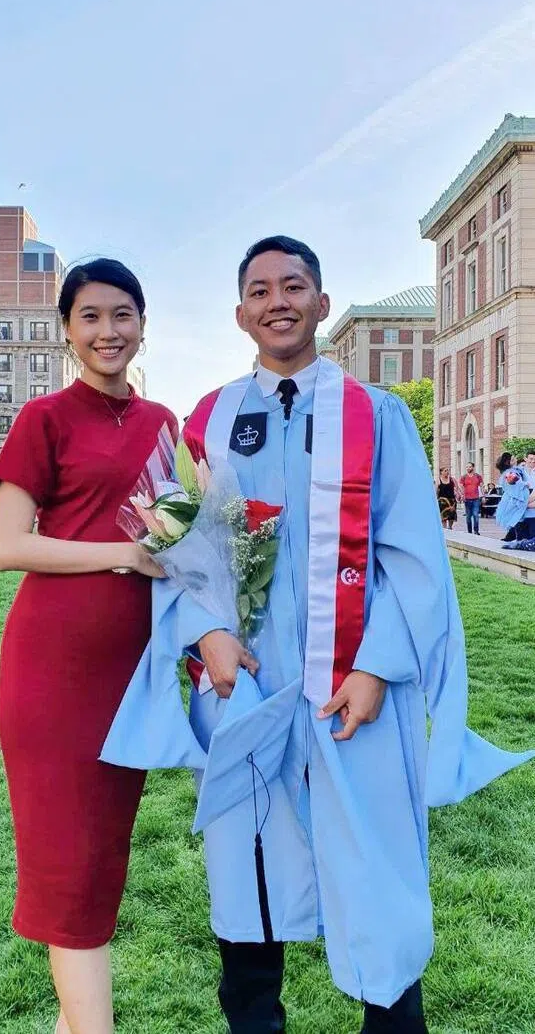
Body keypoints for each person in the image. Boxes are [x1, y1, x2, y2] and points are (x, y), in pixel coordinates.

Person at [102, 235, 534, 1034]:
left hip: (353, 686)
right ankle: (254, 1018)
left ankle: (393, 1020)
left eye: (293, 286)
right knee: (248, 864)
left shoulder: (376, 414)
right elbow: (177, 549)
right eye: (260, 290)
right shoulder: (210, 418)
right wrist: (207, 636)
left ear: (322, 303)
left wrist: (376, 668)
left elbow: (412, 559)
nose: (278, 301)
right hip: (247, 681)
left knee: (373, 865)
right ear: (240, 313)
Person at [0, 258, 176, 1034]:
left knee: (98, 867)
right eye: (91, 316)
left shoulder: (165, 422)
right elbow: (5, 545)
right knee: (67, 869)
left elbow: (180, 532)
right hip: (54, 673)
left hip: (132, 677)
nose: (108, 331)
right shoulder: (45, 418)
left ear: (142, 323)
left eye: (122, 314)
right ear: (67, 330)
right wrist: (119, 553)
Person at [458, 461, 484, 535]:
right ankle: (469, 531)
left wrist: (483, 496)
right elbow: (461, 486)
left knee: (476, 515)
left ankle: (476, 531)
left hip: (476, 498)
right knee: (468, 516)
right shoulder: (464, 477)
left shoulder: (478, 476)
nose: (468, 468)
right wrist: (462, 495)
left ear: (473, 467)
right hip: (467, 498)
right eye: (467, 467)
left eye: (470, 467)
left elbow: (482, 486)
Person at [515, 448, 535, 541]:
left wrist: (524, 504)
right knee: (520, 542)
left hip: (533, 516)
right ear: (525, 458)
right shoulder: (518, 473)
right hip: (520, 516)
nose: (533, 461)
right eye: (531, 459)